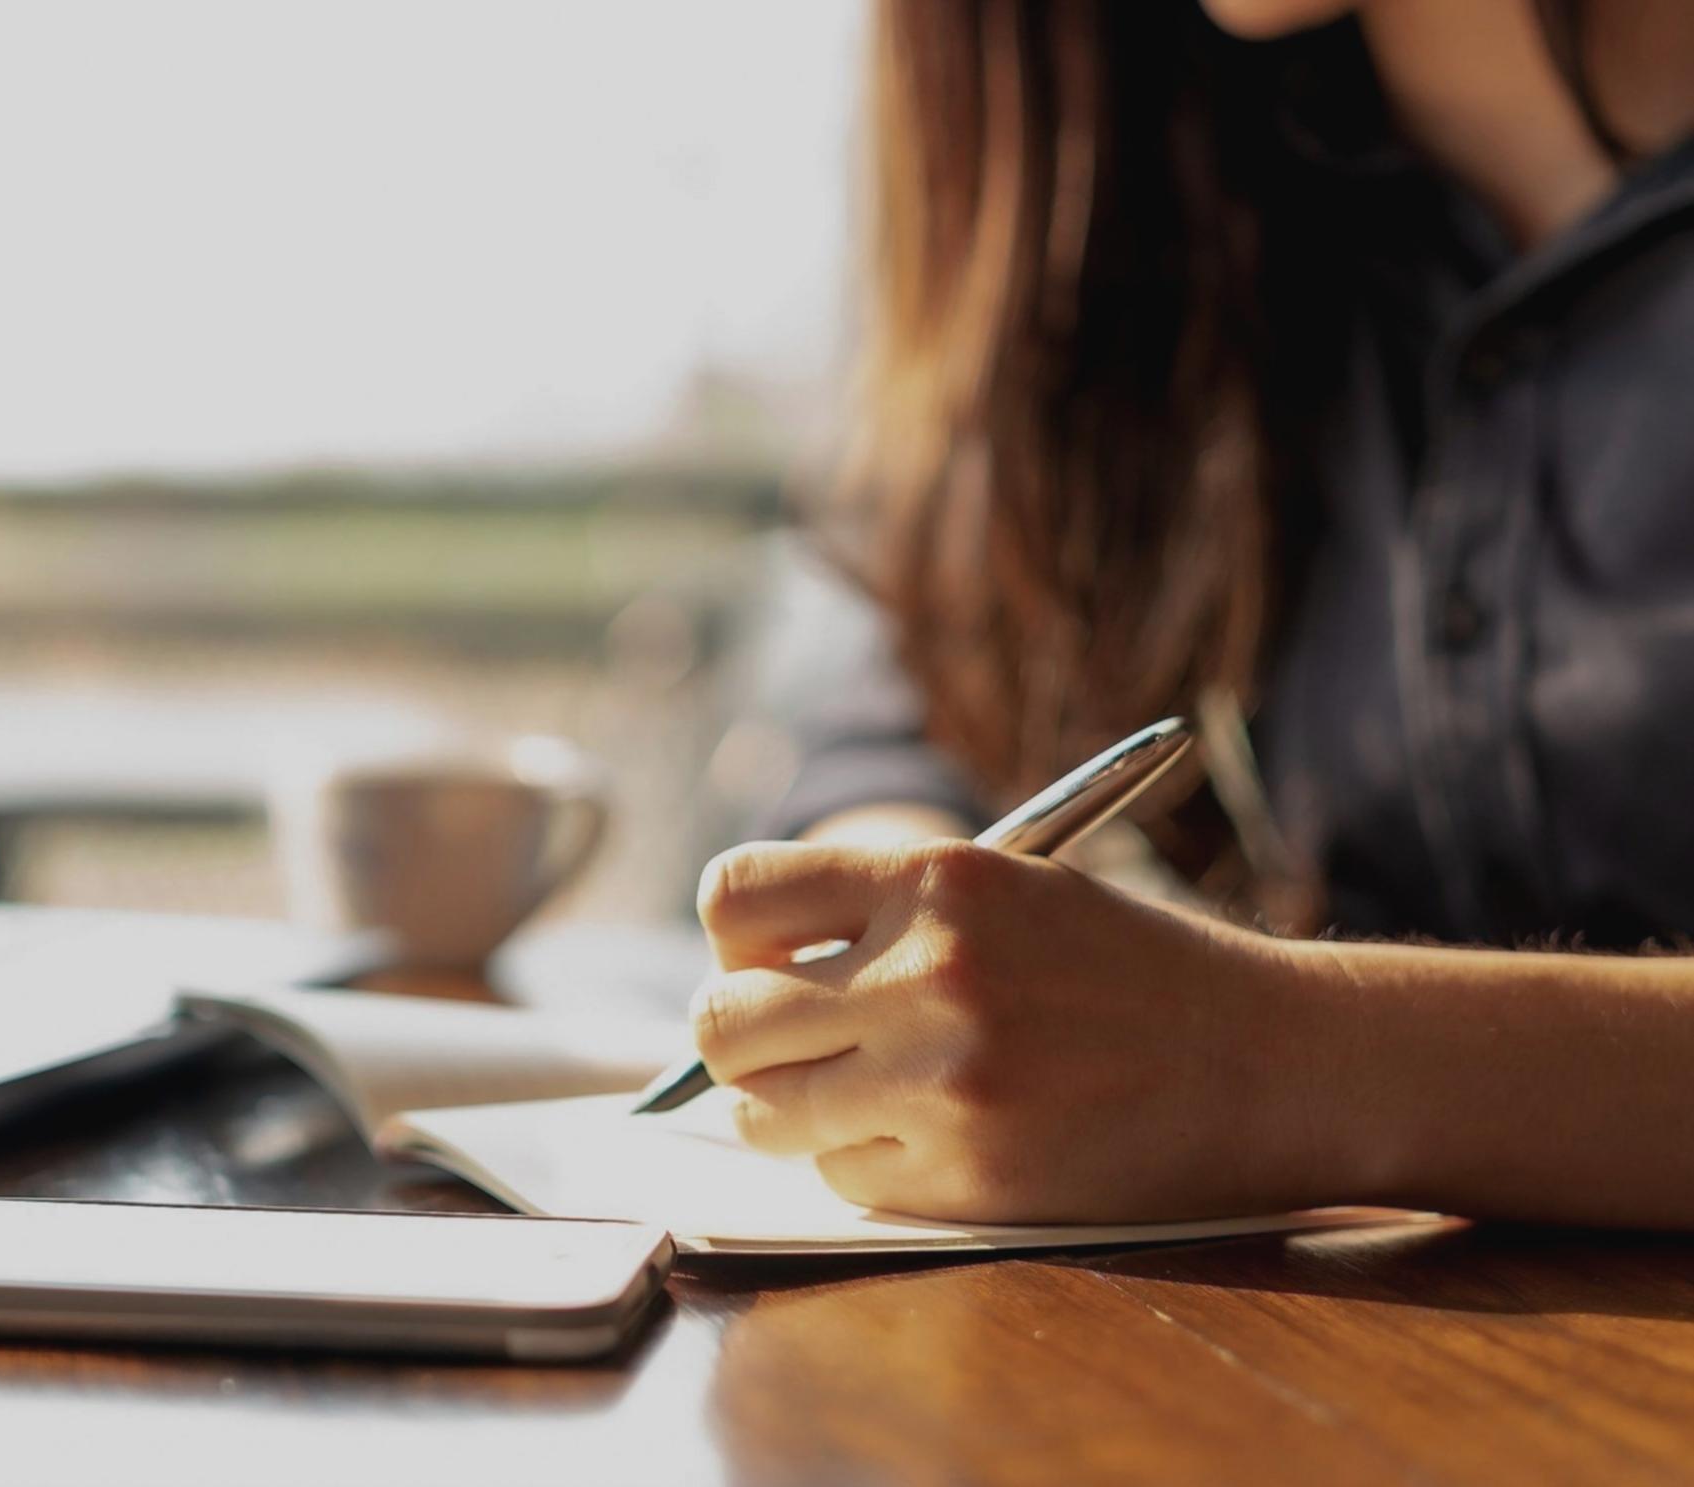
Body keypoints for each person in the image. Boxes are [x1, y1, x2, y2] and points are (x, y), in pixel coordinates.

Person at [694, 0, 1694, 1228]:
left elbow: (1280, 1062)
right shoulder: (1183, 181)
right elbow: (932, 697)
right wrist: (914, 955)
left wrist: (1275, 1061)